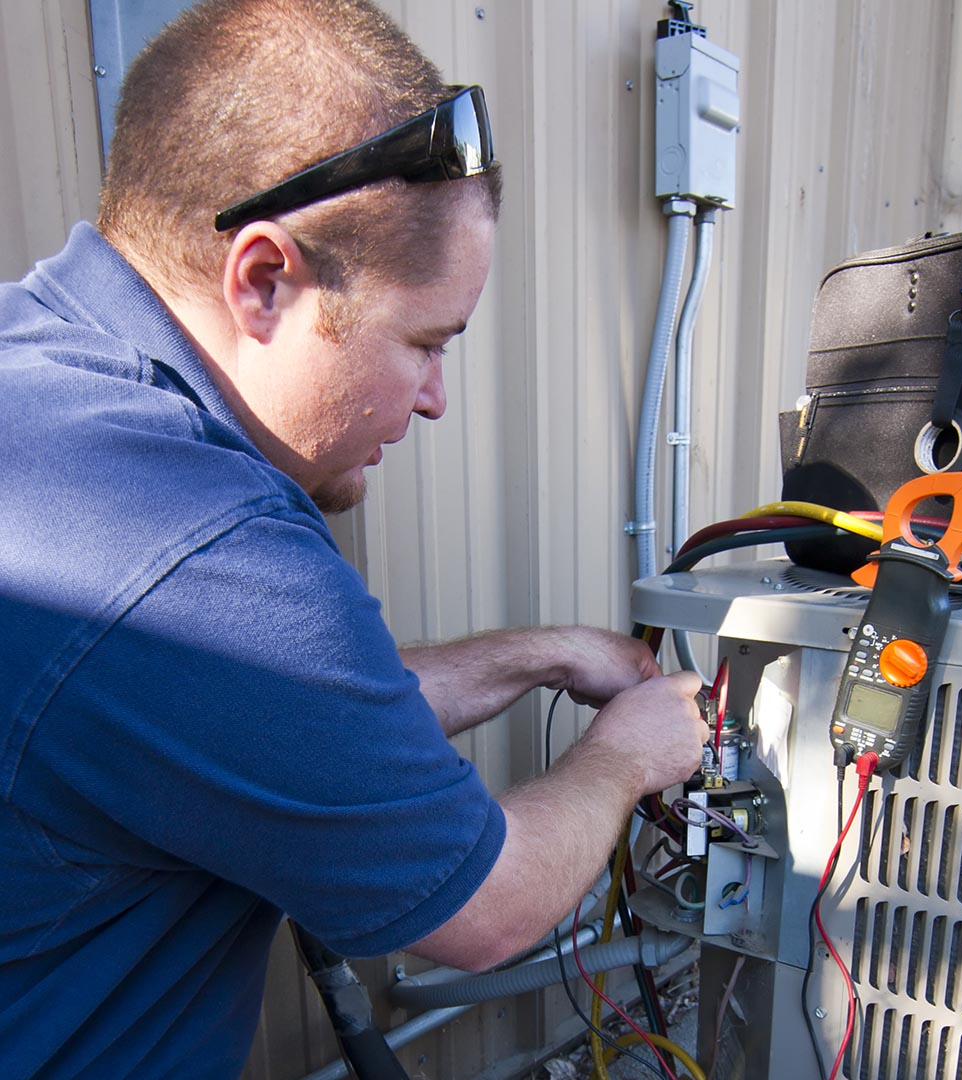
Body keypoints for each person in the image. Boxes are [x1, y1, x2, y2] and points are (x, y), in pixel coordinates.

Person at [0, 0, 708, 1075]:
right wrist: (625, 759)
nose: (432, 400)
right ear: (265, 281)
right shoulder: (200, 544)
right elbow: (489, 908)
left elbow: (270, 720)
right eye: (425, 342)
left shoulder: (45, 381)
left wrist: (543, 657)